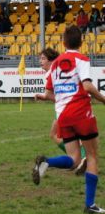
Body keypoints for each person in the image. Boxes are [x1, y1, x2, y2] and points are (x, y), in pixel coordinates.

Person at [32, 25, 105, 214]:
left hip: (63, 115)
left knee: (74, 159)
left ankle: (47, 162)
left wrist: (42, 96)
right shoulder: (81, 59)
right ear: (81, 42)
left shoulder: (55, 64)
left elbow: (50, 93)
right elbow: (87, 87)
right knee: (92, 156)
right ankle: (90, 205)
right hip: (81, 112)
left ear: (63, 42)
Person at [33, 47, 87, 179]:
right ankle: (78, 158)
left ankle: (80, 158)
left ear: (51, 61)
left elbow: (57, 95)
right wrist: (45, 96)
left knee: (61, 135)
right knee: (54, 134)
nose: (41, 61)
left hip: (66, 109)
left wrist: (45, 96)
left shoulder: (53, 72)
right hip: (69, 109)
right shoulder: (56, 71)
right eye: (40, 58)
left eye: (43, 58)